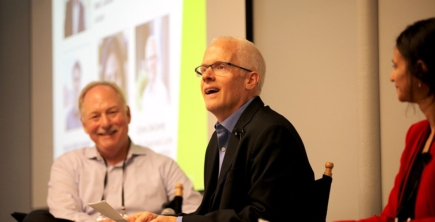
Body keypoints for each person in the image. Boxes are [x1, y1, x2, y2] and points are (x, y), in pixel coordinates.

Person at [125, 36, 315, 222]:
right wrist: (161, 219)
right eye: (204, 69)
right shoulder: (219, 139)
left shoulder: (271, 133)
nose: (206, 76)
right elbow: (208, 213)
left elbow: (262, 217)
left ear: (250, 80)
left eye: (220, 66)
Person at [46, 81, 202, 222]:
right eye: (95, 116)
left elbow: (195, 212)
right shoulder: (67, 165)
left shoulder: (164, 166)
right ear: (84, 124)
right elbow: (64, 214)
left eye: (112, 112)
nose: (105, 123)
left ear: (128, 114)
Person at [335, 17, 435, 222]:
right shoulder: (416, 134)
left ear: (421, 68)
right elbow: (391, 216)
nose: (391, 76)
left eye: (395, 66)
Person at [65, 60, 82, 130]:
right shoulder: (68, 117)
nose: (76, 85)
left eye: (78, 79)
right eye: (75, 80)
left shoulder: (89, 115)